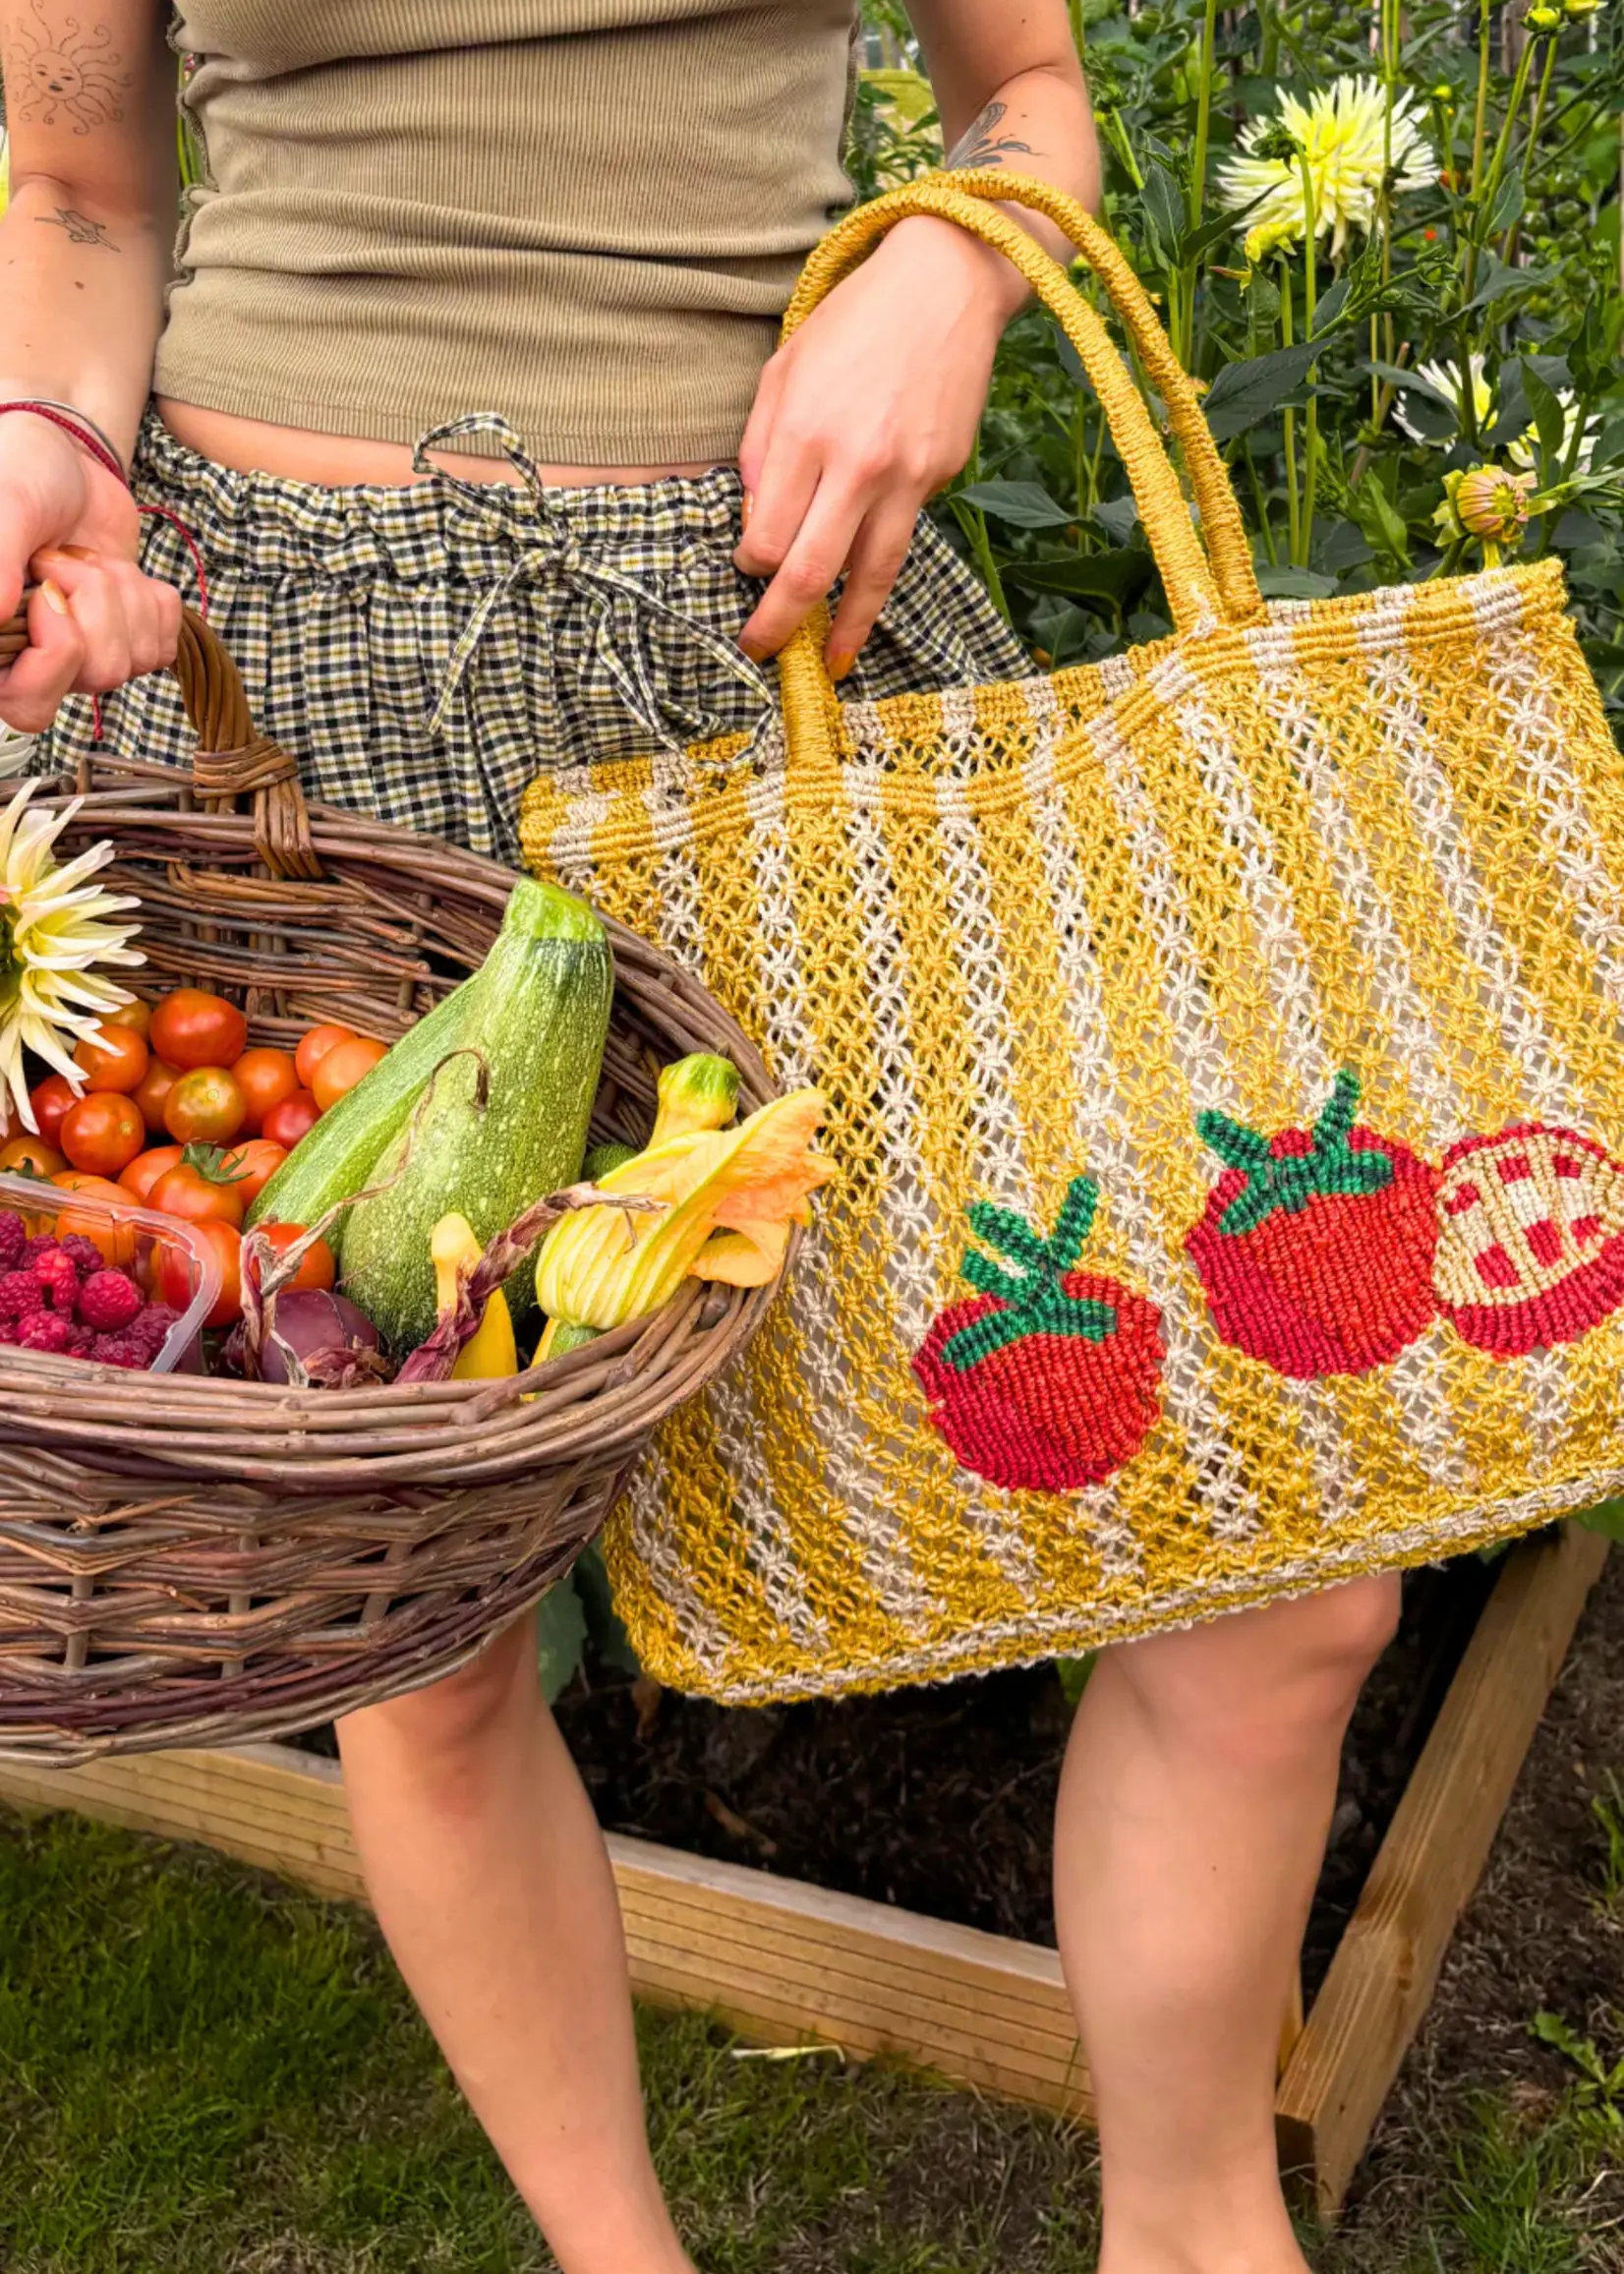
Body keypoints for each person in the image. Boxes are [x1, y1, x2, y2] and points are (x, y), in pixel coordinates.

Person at [0, 4, 1400, 2269]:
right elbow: (78, 191)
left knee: (1276, 1571)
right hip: (311, 715)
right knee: (428, 1643)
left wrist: (951, 260)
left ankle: (1197, 2232)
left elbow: (1025, 97)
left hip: (788, 653)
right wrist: (44, 430)